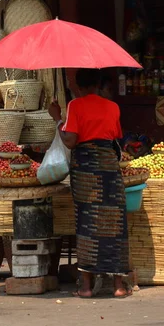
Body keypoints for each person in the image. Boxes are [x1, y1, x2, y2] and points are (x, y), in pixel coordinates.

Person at [48, 69, 130, 298]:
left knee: (86, 223)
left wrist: (57, 119)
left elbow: (71, 141)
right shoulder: (113, 107)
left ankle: (85, 287)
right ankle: (119, 286)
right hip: (109, 171)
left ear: (78, 86)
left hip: (86, 173)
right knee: (114, 224)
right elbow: (114, 136)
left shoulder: (75, 105)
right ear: (98, 84)